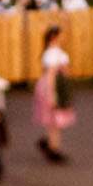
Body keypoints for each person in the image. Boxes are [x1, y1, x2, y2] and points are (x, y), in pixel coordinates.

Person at [33, 24, 75, 163]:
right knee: (55, 120)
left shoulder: (57, 52)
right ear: (54, 37)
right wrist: (52, 94)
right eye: (60, 35)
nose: (63, 37)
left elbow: (65, 70)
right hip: (51, 86)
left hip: (58, 84)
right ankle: (53, 149)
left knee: (55, 120)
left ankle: (49, 143)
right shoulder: (52, 53)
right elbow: (51, 74)